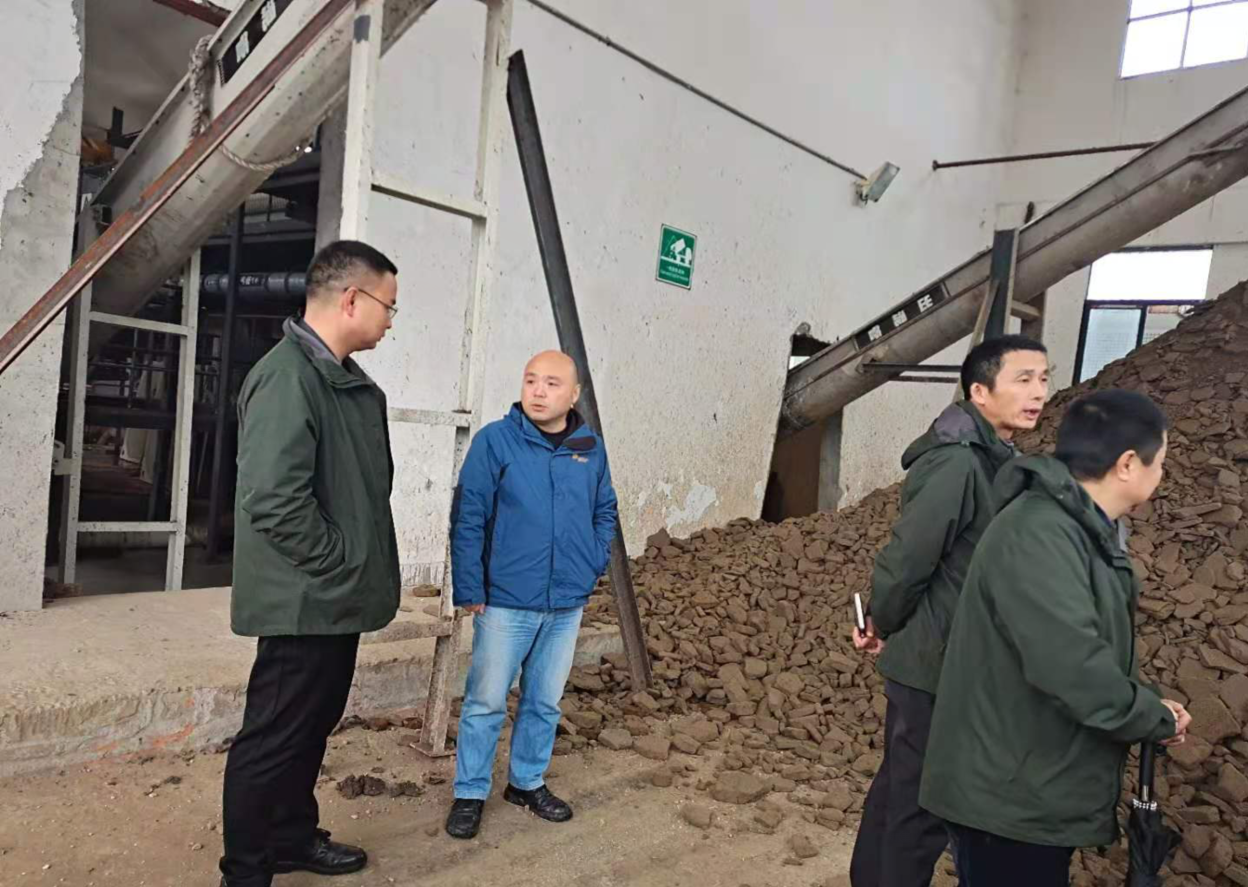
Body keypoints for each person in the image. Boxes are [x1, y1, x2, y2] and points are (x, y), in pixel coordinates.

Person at [920, 389, 1192, 887]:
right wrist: (1151, 716)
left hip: (1031, 781)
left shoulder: (1079, 532)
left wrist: (1149, 702)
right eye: (1160, 462)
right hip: (1010, 797)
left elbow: (1088, 649)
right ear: (1128, 464)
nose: (1162, 474)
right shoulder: (1040, 534)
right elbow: (1072, 669)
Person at [219, 240, 402, 887]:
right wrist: (338, 561)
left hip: (332, 597)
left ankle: (291, 837)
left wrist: (348, 570)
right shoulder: (288, 378)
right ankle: (245, 872)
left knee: (308, 728)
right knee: (271, 738)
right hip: (304, 599)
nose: (391, 320)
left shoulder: (338, 378)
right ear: (352, 298)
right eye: (389, 305)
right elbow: (274, 498)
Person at [850, 335, 1050, 887]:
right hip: (935, 664)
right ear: (980, 392)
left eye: (1043, 379)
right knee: (920, 807)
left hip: (952, 657)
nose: (1038, 392)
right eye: (1023, 380)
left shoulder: (994, 458)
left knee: (902, 791)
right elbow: (908, 557)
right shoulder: (957, 463)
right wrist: (882, 620)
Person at [444, 350, 618, 840]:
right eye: (531, 380)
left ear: (574, 394)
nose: (539, 391)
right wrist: (470, 586)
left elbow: (605, 509)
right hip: (506, 599)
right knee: (486, 701)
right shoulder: (495, 442)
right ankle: (470, 792)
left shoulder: (589, 447)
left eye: (552, 383)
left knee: (544, 701)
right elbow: (469, 515)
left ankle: (526, 782)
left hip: (565, 603)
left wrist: (592, 561)